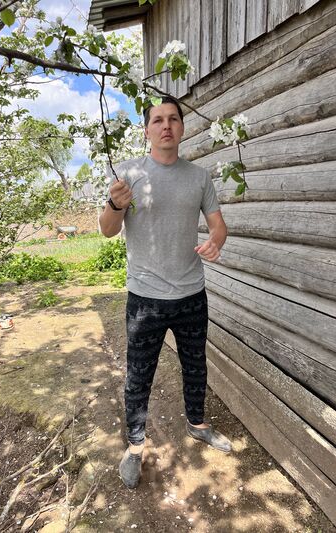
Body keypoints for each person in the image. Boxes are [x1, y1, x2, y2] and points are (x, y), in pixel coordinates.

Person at [99, 96, 231, 489]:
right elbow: (107, 229)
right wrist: (114, 205)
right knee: (139, 375)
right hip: (145, 299)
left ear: (182, 127)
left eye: (173, 118)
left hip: (192, 294)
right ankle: (135, 446)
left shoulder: (199, 177)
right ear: (147, 130)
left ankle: (197, 424)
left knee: (195, 365)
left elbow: (218, 224)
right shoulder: (128, 174)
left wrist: (216, 242)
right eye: (157, 120)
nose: (166, 126)